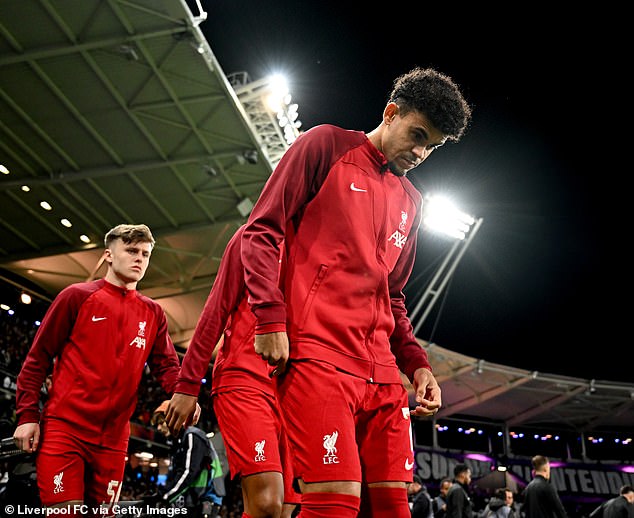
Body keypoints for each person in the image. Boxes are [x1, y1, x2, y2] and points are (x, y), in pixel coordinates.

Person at [239, 67, 471, 517]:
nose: (421, 152)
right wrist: (270, 319)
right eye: (417, 134)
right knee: (335, 504)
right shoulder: (325, 146)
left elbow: (394, 296)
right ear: (391, 113)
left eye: (433, 146)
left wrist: (417, 365)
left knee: (393, 508)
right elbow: (260, 233)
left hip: (383, 374)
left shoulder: (412, 202)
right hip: (318, 358)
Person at [12, 224, 185, 514]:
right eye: (131, 250)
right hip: (65, 430)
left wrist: (185, 393)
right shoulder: (76, 296)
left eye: (145, 253)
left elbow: (167, 366)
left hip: (114, 440)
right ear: (108, 254)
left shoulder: (153, 312)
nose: (139, 258)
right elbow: (37, 358)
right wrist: (27, 415)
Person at [165, 225, 300, 518]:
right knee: (267, 505)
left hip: (294, 392)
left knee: (287, 509)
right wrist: (187, 385)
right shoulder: (254, 236)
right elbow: (216, 310)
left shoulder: (322, 243)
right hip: (245, 378)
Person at [147, 400, 225, 517]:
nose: (158, 428)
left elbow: (189, 472)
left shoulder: (192, 435)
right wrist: (161, 493)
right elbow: (175, 473)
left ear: (174, 418)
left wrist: (164, 496)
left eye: (161, 422)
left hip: (206, 498)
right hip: (195, 497)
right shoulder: (178, 441)